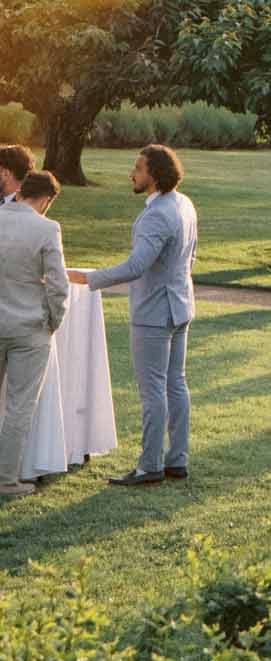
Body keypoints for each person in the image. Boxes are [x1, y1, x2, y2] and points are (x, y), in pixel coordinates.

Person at [71, 144, 196, 489]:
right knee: (176, 383)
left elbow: (137, 266)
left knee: (154, 389)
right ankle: (177, 461)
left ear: (154, 175)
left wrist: (89, 278)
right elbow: (190, 258)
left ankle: (149, 466)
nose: (132, 173)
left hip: (155, 313)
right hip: (180, 306)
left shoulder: (157, 214)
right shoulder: (184, 204)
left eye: (138, 168)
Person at [0, 171, 68, 499]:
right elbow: (58, 285)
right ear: (46, 200)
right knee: (19, 406)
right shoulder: (47, 228)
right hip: (29, 327)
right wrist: (54, 320)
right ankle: (6, 479)